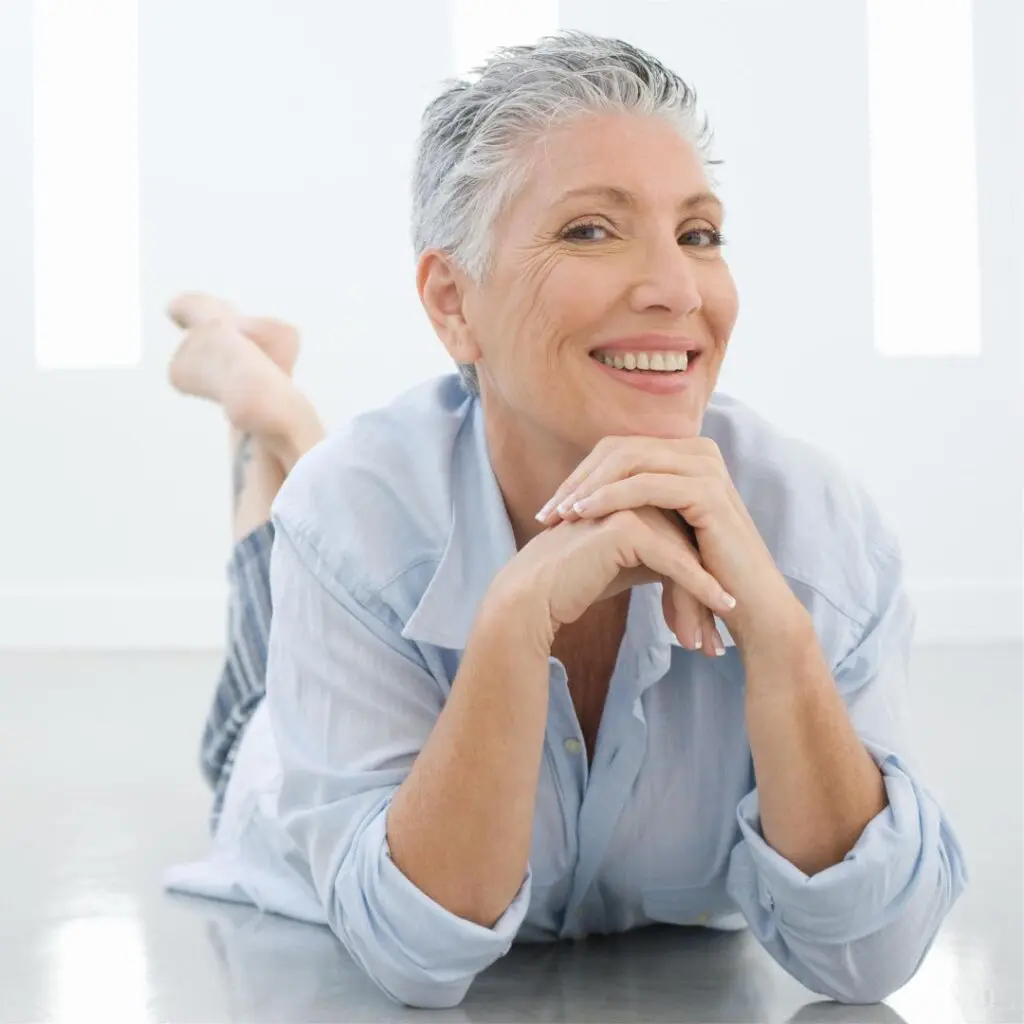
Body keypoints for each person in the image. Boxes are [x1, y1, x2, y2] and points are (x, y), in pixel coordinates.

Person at [163, 30, 967, 1011]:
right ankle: (264, 405)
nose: (676, 289)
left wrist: (780, 633)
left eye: (699, 234)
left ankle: (274, 401)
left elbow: (870, 956)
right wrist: (512, 623)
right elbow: (415, 956)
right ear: (453, 304)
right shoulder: (351, 518)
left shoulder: (817, 532)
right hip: (279, 750)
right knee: (264, 593)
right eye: (591, 230)